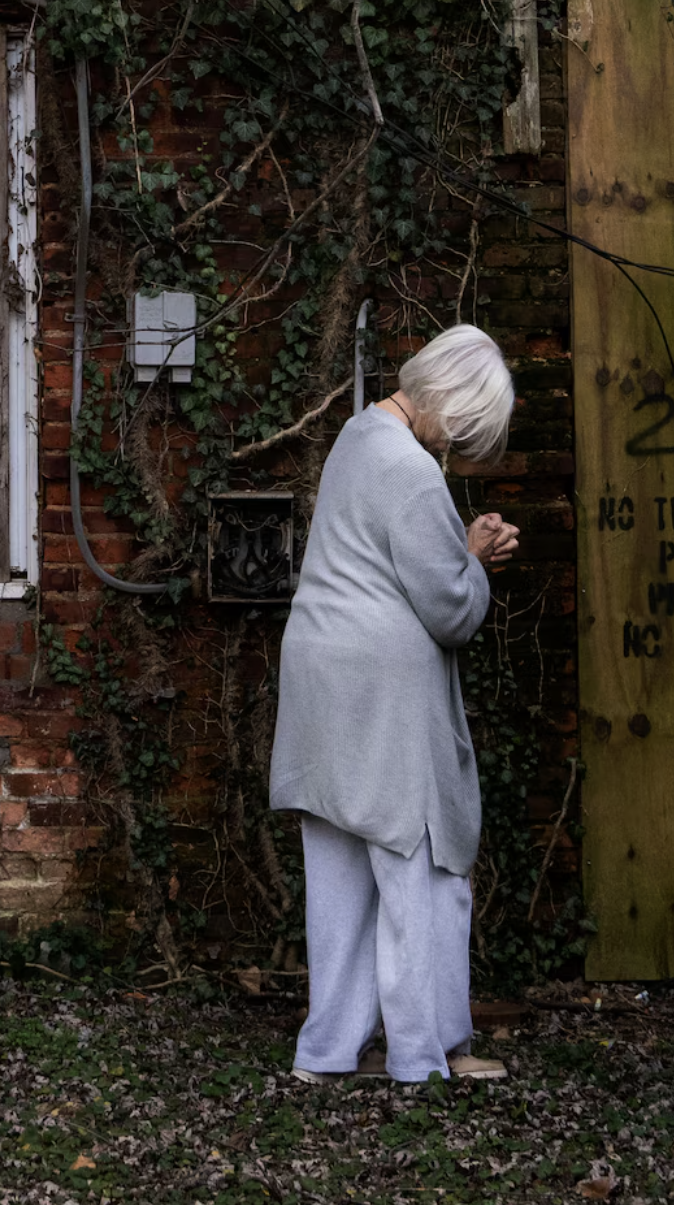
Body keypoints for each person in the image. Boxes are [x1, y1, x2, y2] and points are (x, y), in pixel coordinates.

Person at [269, 323, 521, 1085]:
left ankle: (326, 1054)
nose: (458, 447)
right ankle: (423, 1055)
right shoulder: (411, 470)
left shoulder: (356, 433)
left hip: (323, 684)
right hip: (384, 696)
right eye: (466, 430)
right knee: (420, 866)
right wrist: (474, 559)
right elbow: (448, 607)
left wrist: (455, 546)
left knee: (340, 874)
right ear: (451, 403)